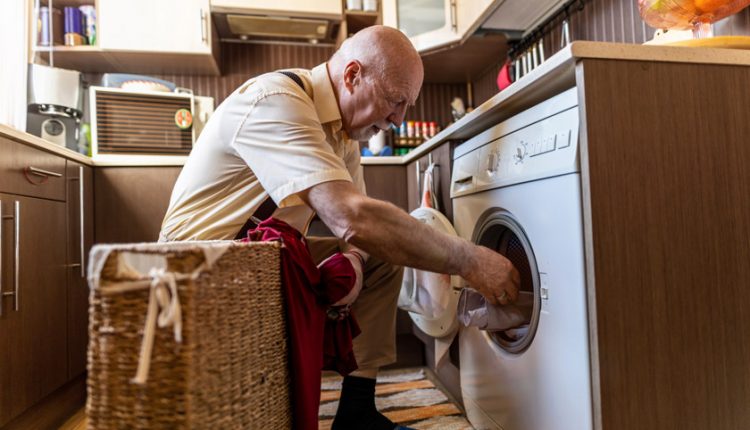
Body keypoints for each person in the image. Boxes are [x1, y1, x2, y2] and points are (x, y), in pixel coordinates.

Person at [160, 25, 520, 430]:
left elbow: (364, 234)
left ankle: (357, 413)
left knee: (383, 257)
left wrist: (355, 262)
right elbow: (352, 217)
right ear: (352, 76)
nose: (398, 120)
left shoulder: (343, 139)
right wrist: (467, 260)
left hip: (264, 255)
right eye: (395, 101)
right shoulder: (276, 101)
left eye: (406, 106)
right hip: (203, 262)